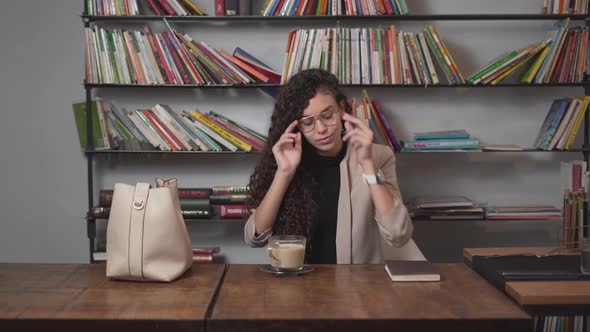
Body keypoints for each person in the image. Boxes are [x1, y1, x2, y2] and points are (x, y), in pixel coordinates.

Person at [244, 68, 413, 264]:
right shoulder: (289, 160)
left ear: (341, 109)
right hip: (295, 285)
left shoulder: (379, 156)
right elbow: (254, 237)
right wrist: (284, 172)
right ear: (297, 126)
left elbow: (399, 234)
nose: (321, 129)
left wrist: (367, 163)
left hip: (356, 288)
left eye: (327, 115)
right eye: (308, 122)